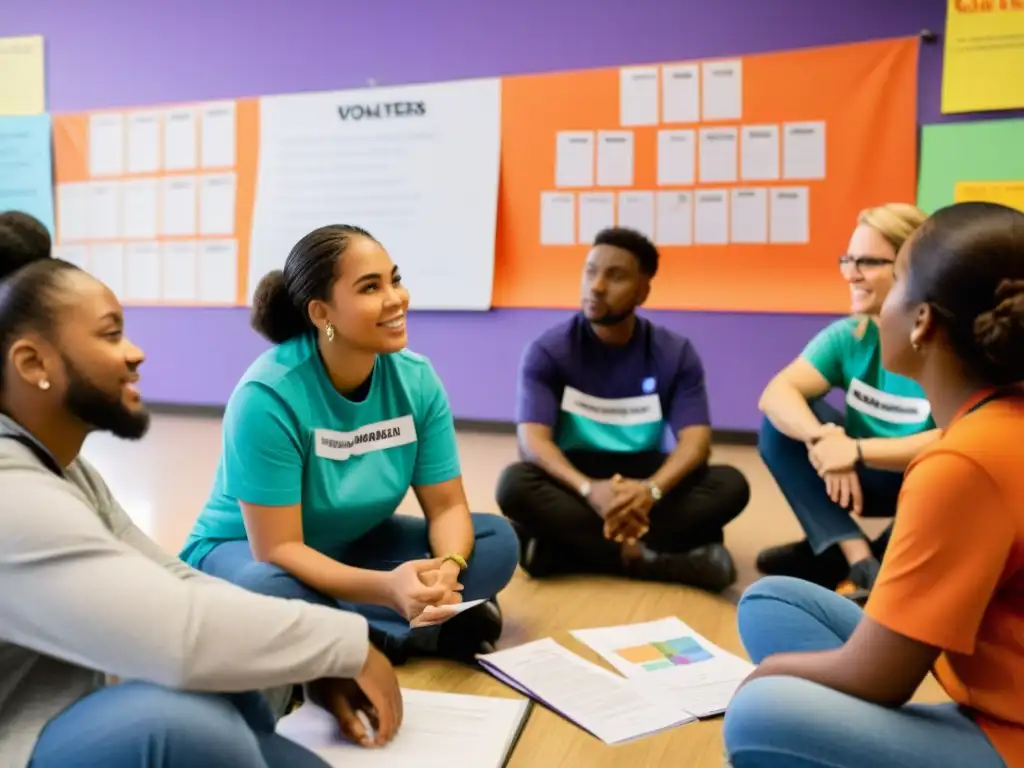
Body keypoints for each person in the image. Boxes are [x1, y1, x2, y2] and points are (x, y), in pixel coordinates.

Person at [0, 258, 405, 768]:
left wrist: (312, 662)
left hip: (64, 710)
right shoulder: (10, 493)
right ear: (33, 364)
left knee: (239, 667)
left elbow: (173, 580)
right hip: (19, 737)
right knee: (176, 722)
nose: (134, 353)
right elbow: (176, 631)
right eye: (110, 336)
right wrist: (347, 645)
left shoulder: (64, 467)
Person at [723, 201, 1024, 768]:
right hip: (983, 686)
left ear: (922, 321)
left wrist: (764, 675)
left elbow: (883, 679)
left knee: (759, 710)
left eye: (894, 278)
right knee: (771, 601)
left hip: (1009, 737)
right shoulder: (996, 421)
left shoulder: (962, 464)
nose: (858, 283)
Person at [180, 224, 519, 665]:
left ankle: (354, 631)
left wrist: (449, 571)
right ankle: (404, 630)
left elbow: (448, 507)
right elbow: (278, 548)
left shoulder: (416, 380)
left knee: (495, 540)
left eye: (394, 280)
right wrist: (387, 587)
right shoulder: (267, 397)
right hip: (248, 550)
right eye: (370, 287)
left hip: (353, 543)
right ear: (322, 313)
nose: (396, 298)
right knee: (270, 589)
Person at [495, 227, 750, 593]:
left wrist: (651, 491)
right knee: (514, 485)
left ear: (643, 290)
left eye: (615, 276)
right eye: (590, 271)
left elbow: (696, 443)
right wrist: (588, 490)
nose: (596, 286)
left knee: (730, 484)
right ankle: (654, 557)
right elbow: (532, 441)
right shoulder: (549, 350)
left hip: (643, 476)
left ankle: (563, 552)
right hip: (577, 478)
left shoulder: (674, 353)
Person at [755, 203, 937, 599]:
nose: (850, 274)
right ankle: (856, 557)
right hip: (862, 478)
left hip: (925, 485)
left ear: (914, 267)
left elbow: (957, 440)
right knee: (782, 425)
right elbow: (775, 394)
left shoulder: (945, 344)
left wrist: (853, 449)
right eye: (848, 260)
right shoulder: (850, 335)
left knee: (946, 477)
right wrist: (823, 439)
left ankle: (846, 557)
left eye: (868, 262)